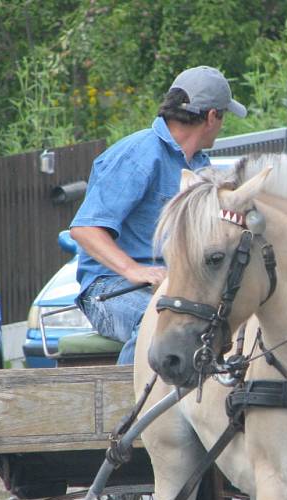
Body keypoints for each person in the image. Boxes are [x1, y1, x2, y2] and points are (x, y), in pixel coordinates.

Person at [70, 66, 247, 364]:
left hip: (170, 283)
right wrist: (132, 270)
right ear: (212, 116)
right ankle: (134, 407)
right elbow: (85, 229)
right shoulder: (138, 154)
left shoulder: (202, 167)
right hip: (110, 289)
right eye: (224, 116)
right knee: (154, 323)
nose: (222, 125)